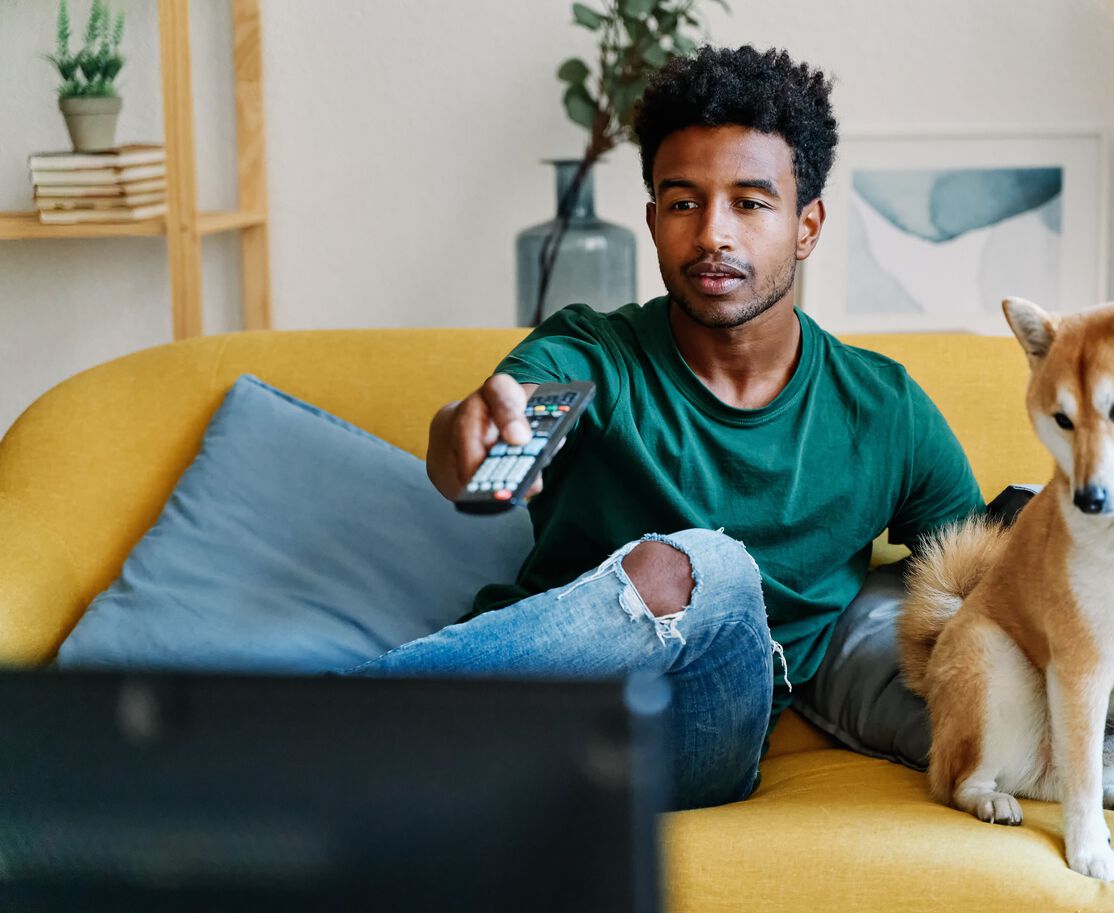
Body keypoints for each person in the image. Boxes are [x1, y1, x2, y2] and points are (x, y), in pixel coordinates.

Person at [340, 45, 986, 810]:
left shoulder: (886, 412)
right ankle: (359, 738)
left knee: (704, 564)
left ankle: (321, 726)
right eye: (683, 203)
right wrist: (467, 429)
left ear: (806, 225)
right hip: (530, 708)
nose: (713, 233)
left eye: (750, 203)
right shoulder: (591, 352)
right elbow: (479, 445)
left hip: (696, 738)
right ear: (652, 220)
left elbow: (982, 589)